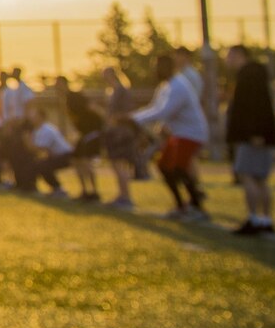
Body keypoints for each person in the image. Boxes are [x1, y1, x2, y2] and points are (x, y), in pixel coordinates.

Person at [132, 53, 210, 220]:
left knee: (179, 168)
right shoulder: (166, 86)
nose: (156, 71)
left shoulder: (178, 85)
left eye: (159, 67)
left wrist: (133, 118)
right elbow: (155, 107)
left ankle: (198, 207)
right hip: (179, 134)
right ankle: (181, 206)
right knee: (163, 166)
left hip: (191, 133)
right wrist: (135, 117)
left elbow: (163, 111)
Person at [225, 45, 275, 234]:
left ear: (239, 55)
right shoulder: (257, 74)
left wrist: (255, 133)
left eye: (229, 55)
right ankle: (265, 219)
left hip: (253, 136)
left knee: (247, 174)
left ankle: (254, 218)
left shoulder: (249, 75)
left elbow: (254, 106)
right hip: (261, 135)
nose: (227, 60)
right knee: (260, 178)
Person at [100, 67, 139, 207]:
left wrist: (114, 119)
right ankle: (122, 195)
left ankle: (125, 197)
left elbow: (127, 113)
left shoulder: (121, 91)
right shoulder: (113, 91)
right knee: (117, 165)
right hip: (115, 131)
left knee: (119, 164)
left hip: (120, 132)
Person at [60, 77, 104, 201]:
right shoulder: (66, 99)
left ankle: (95, 192)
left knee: (86, 161)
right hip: (83, 134)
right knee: (76, 160)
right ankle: (85, 191)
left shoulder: (76, 96)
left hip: (92, 132)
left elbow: (92, 108)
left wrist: (100, 128)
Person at [25, 110, 76, 196]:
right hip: (57, 156)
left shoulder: (47, 130)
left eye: (34, 117)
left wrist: (27, 141)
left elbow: (41, 149)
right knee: (39, 164)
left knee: (42, 165)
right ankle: (31, 186)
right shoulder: (37, 130)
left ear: (41, 117)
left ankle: (58, 189)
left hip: (66, 156)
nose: (32, 119)